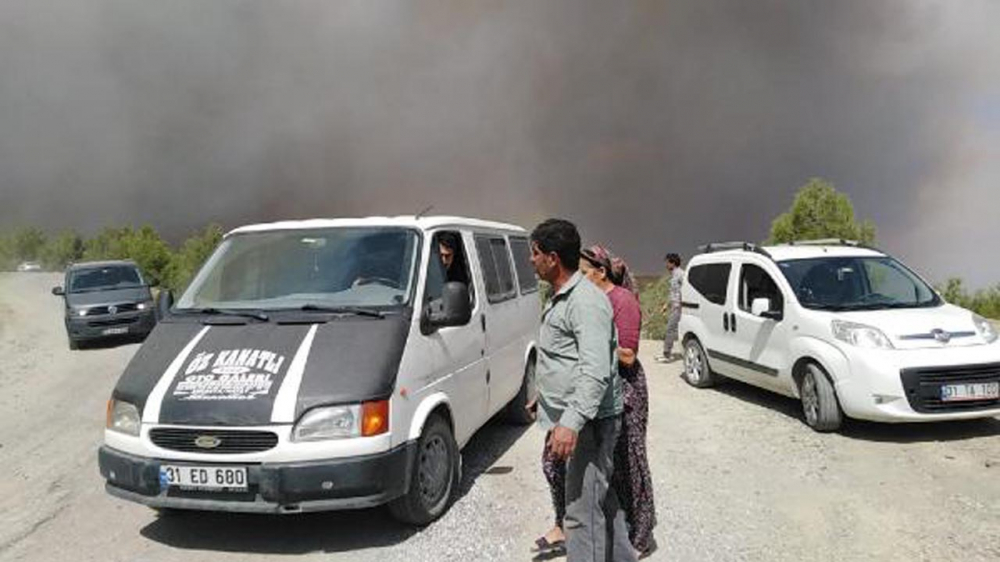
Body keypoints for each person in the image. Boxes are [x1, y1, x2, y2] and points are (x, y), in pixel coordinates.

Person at [528, 219, 636, 562]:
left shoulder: (585, 302)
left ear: (553, 258)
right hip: (583, 417)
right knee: (602, 504)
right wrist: (544, 397)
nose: (531, 260)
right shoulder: (562, 295)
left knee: (580, 515)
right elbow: (566, 360)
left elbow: (594, 372)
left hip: (590, 423)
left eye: (535, 253)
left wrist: (570, 422)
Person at [658, 253, 684, 363]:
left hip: (678, 307)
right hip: (674, 306)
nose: (666, 265)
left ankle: (667, 354)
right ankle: (667, 353)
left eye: (667, 262)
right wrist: (666, 305)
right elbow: (673, 292)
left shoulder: (681, 274)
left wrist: (680, 304)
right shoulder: (674, 275)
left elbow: (685, 289)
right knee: (672, 329)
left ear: (673, 263)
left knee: (670, 329)